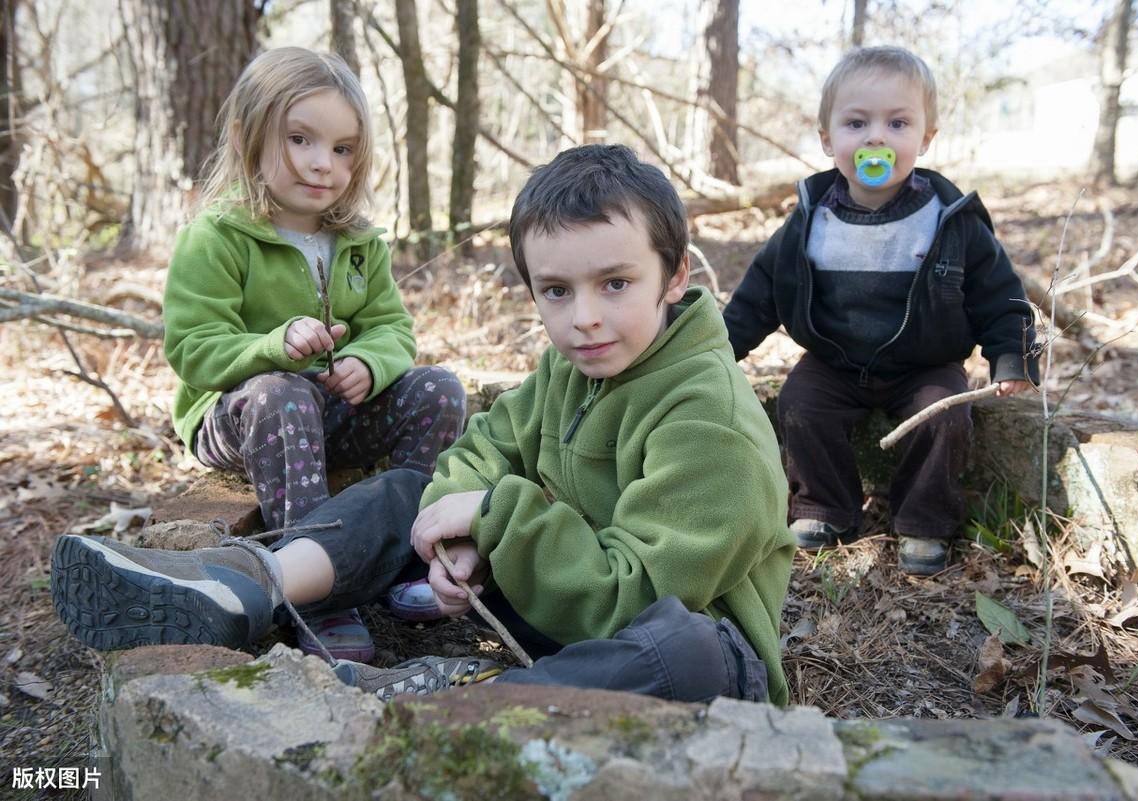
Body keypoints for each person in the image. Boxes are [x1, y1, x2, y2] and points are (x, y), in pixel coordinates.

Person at [51, 144, 796, 706]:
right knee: (412, 487)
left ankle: (454, 703)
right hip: (558, 599)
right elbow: (482, 446)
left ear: (676, 278)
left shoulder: (710, 422)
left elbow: (632, 594)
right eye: (556, 291)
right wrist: (465, 530)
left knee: (687, 648)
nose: (584, 316)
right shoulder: (576, 365)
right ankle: (250, 583)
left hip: (662, 646)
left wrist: (498, 515)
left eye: (616, 283)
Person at [160, 48, 461, 662]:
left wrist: (371, 364)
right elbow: (193, 346)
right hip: (239, 417)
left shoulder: (357, 243)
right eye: (301, 139)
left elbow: (392, 330)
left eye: (344, 148)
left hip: (332, 415)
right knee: (283, 390)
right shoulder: (216, 237)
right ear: (249, 135)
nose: (324, 163)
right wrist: (273, 347)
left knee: (440, 388)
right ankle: (318, 594)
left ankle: (410, 558)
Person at [722, 46, 1039, 576]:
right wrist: (723, 348)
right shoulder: (812, 220)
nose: (876, 138)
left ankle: (923, 519)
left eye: (897, 123)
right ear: (828, 139)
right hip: (835, 361)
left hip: (923, 364)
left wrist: (1011, 356)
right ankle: (824, 505)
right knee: (800, 404)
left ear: (925, 138)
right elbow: (761, 292)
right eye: (856, 122)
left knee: (945, 415)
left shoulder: (947, 220)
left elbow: (998, 292)